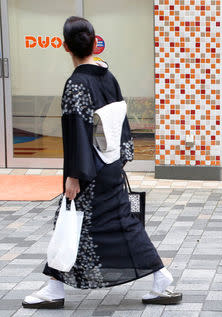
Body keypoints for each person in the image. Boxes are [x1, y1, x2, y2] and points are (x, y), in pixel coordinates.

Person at [22, 16, 182, 309]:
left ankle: (55, 289)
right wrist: (120, 157)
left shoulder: (76, 84)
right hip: (110, 165)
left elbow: (76, 133)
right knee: (118, 224)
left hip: (89, 171)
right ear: (94, 43)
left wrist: (74, 175)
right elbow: (121, 121)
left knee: (70, 221)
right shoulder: (108, 77)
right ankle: (161, 279)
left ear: (65, 47)